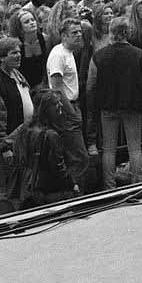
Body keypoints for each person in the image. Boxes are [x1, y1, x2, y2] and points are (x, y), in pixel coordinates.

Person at [87, 17, 142, 189]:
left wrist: (92, 108)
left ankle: (109, 186)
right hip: (133, 105)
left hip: (107, 106)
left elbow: (91, 85)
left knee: (109, 149)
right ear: (128, 32)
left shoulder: (98, 56)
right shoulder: (140, 55)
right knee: (135, 147)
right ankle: (138, 183)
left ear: (111, 32)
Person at [0, 38, 34, 213]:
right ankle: (7, 221)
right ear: (1, 57)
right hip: (0, 147)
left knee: (17, 189)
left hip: (16, 141)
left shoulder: (15, 73)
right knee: (4, 191)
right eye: (13, 53)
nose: (19, 56)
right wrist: (3, 148)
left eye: (19, 52)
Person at [45, 17, 90, 190]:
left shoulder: (69, 52)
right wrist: (71, 112)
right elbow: (57, 87)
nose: (79, 35)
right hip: (65, 108)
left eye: (80, 32)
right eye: (74, 33)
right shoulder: (58, 55)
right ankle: (74, 193)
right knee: (79, 157)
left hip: (72, 105)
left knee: (75, 156)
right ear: (64, 36)